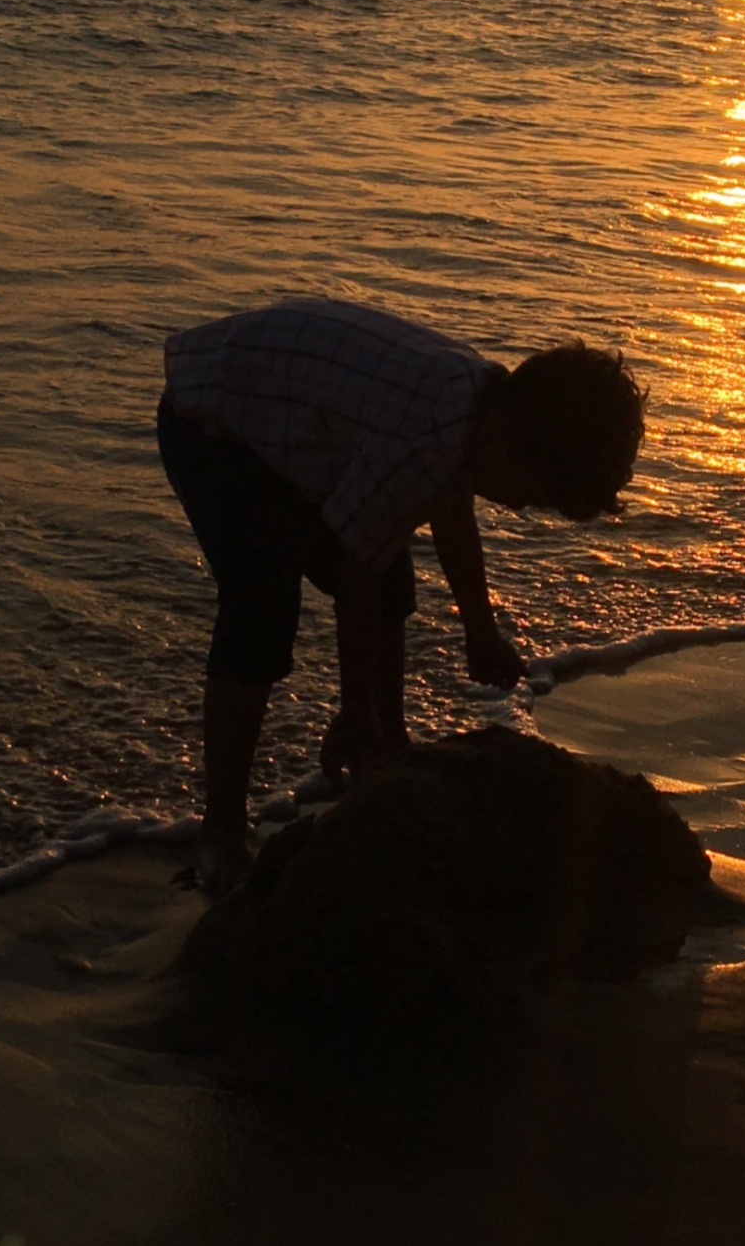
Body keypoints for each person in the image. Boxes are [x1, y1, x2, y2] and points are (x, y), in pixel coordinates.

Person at [156, 298, 646, 893]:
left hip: (296, 415)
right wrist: (352, 707)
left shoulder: (479, 407)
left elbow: (445, 507)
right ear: (505, 437)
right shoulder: (433, 437)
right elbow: (357, 569)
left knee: (390, 577)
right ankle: (223, 828)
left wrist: (480, 630)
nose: (519, 508)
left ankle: (385, 749)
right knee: (261, 609)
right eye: (530, 494)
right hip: (218, 421)